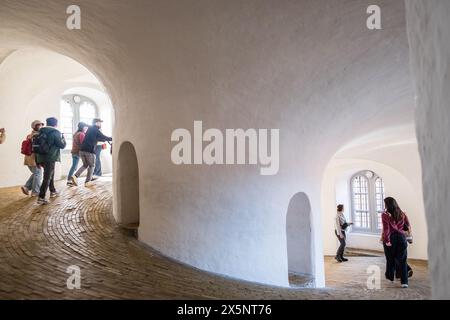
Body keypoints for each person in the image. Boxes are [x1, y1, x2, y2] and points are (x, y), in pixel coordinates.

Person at [70, 118, 112, 187]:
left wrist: (104, 140)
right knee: (92, 166)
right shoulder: (95, 129)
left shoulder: (90, 129)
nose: (100, 124)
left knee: (85, 165)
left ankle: (75, 176)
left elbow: (97, 138)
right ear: (96, 123)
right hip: (89, 151)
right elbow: (103, 136)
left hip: (82, 151)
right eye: (99, 123)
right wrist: (112, 138)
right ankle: (87, 182)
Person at [36, 117, 66, 205]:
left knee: (50, 175)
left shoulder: (40, 131)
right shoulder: (55, 132)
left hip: (40, 156)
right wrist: (63, 139)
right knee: (47, 177)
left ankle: (53, 191)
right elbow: (62, 145)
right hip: (50, 157)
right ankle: (41, 197)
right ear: (56, 124)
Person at [381, 197, 410, 288]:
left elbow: (387, 229)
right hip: (402, 239)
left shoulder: (385, 215)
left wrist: (387, 240)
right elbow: (408, 226)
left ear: (387, 205)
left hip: (392, 239)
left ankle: (390, 278)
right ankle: (404, 282)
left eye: (385, 203)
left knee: (390, 259)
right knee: (402, 260)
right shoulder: (402, 213)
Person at [21, 120, 44, 196]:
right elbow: (37, 149)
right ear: (34, 126)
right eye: (38, 125)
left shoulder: (29, 135)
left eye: (41, 125)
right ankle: (35, 191)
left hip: (28, 158)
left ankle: (27, 187)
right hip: (34, 158)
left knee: (36, 173)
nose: (40, 126)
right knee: (38, 174)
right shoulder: (37, 135)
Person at [67, 122, 88, 186]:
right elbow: (83, 143)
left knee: (74, 167)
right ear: (82, 127)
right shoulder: (81, 134)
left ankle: (71, 179)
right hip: (77, 152)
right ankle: (69, 180)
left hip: (74, 151)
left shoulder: (76, 133)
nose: (86, 128)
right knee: (76, 166)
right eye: (85, 127)